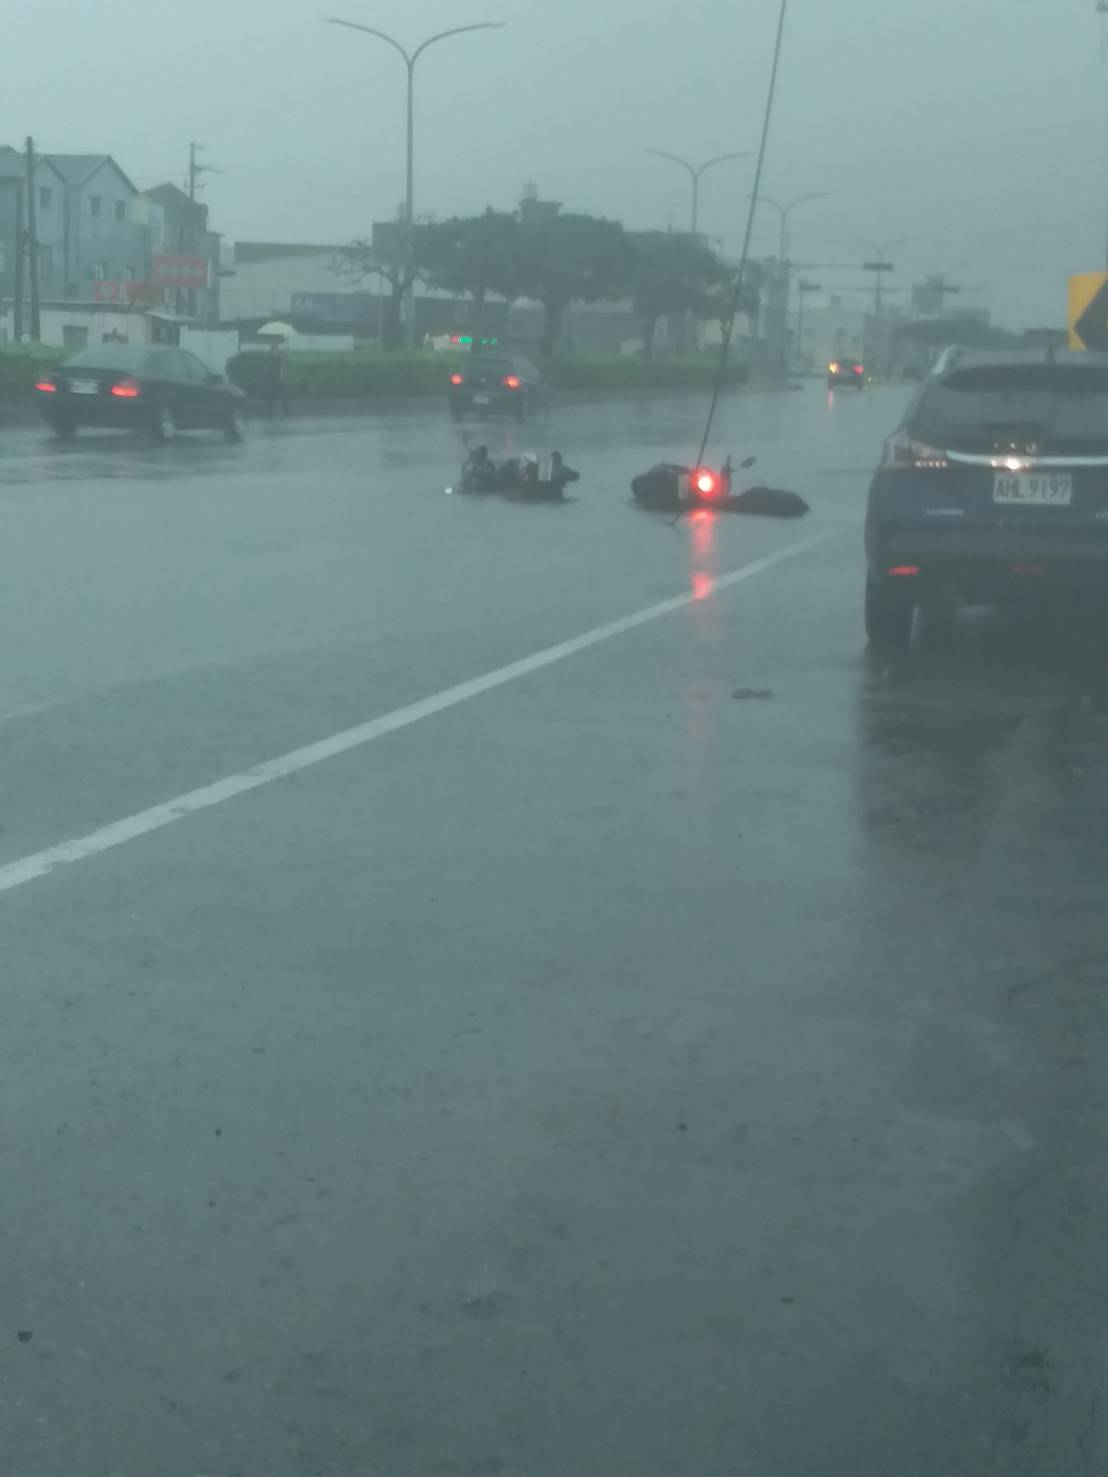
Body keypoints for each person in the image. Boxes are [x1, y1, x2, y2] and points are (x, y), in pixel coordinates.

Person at [261, 341, 290, 420]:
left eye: (275, 346)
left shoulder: (279, 357)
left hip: (278, 380)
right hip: (271, 380)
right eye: (273, 346)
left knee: (282, 397)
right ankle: (269, 414)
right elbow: (265, 368)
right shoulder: (269, 357)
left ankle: (286, 413)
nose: (274, 348)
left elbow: (283, 366)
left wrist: (282, 377)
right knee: (270, 398)